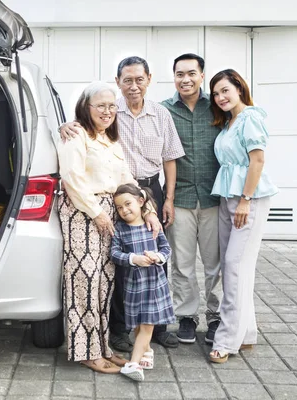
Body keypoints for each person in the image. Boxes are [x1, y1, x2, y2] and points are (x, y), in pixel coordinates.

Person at [60, 56, 185, 351]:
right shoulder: (96, 122)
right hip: (109, 200)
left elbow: (167, 159)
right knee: (117, 265)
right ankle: (116, 332)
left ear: (149, 80)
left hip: (143, 190)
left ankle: (155, 327)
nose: (133, 86)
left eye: (139, 79)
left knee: (150, 260)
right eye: (127, 80)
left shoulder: (155, 116)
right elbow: (73, 168)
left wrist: (156, 204)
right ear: (118, 83)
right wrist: (64, 125)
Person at [56, 81, 159, 373]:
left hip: (108, 215)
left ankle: (101, 347)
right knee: (84, 284)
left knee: (104, 284)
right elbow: (71, 178)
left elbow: (126, 179)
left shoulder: (110, 139)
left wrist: (147, 207)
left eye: (112, 105)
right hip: (83, 214)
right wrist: (97, 213)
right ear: (86, 108)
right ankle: (86, 352)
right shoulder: (76, 134)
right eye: (101, 105)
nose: (107, 111)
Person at [207, 69, 279, 364]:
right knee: (235, 267)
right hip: (227, 198)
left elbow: (257, 160)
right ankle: (246, 333)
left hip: (247, 199)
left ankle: (226, 340)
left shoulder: (250, 117)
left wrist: (246, 200)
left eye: (225, 90)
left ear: (239, 88)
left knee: (235, 267)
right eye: (215, 93)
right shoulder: (229, 121)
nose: (220, 97)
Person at [161, 53, 223, 345]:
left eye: (191, 73)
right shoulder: (163, 110)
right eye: (179, 74)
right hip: (181, 197)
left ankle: (216, 316)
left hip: (215, 197)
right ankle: (186, 317)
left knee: (215, 263)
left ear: (201, 76)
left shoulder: (218, 106)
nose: (185, 79)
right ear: (173, 77)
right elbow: (125, 113)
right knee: (182, 263)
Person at [111, 184, 174, 381]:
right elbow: (114, 253)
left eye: (128, 204)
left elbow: (166, 249)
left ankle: (134, 363)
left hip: (154, 286)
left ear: (140, 202)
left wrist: (157, 257)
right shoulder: (120, 229)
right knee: (139, 325)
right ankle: (147, 352)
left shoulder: (152, 226)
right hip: (133, 286)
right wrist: (133, 259)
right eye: (119, 207)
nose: (124, 210)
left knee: (147, 326)